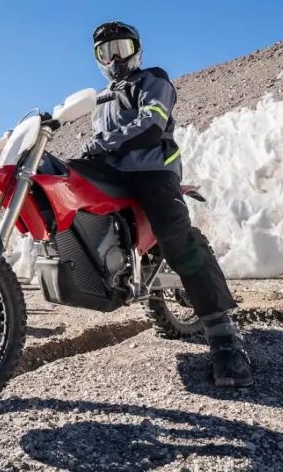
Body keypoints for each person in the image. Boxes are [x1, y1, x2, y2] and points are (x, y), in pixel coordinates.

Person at [80, 20, 253, 387]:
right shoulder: (100, 101)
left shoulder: (153, 81)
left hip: (152, 172)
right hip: (115, 178)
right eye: (105, 52)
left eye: (121, 49)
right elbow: (101, 142)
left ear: (136, 51)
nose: (114, 58)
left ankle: (224, 337)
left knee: (177, 238)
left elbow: (151, 124)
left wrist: (106, 144)